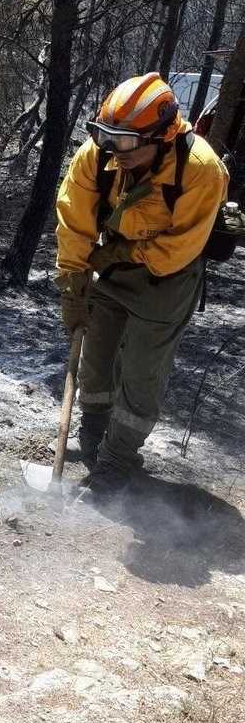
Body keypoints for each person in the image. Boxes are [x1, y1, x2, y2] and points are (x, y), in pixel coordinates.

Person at [56, 72, 228, 497]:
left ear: (162, 135)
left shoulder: (201, 170)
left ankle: (118, 460)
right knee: (95, 360)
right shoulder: (95, 157)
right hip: (109, 267)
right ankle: (95, 433)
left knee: (141, 374)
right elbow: (74, 223)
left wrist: (121, 254)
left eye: (127, 142)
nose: (115, 151)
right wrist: (74, 284)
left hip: (167, 276)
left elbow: (179, 248)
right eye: (106, 136)